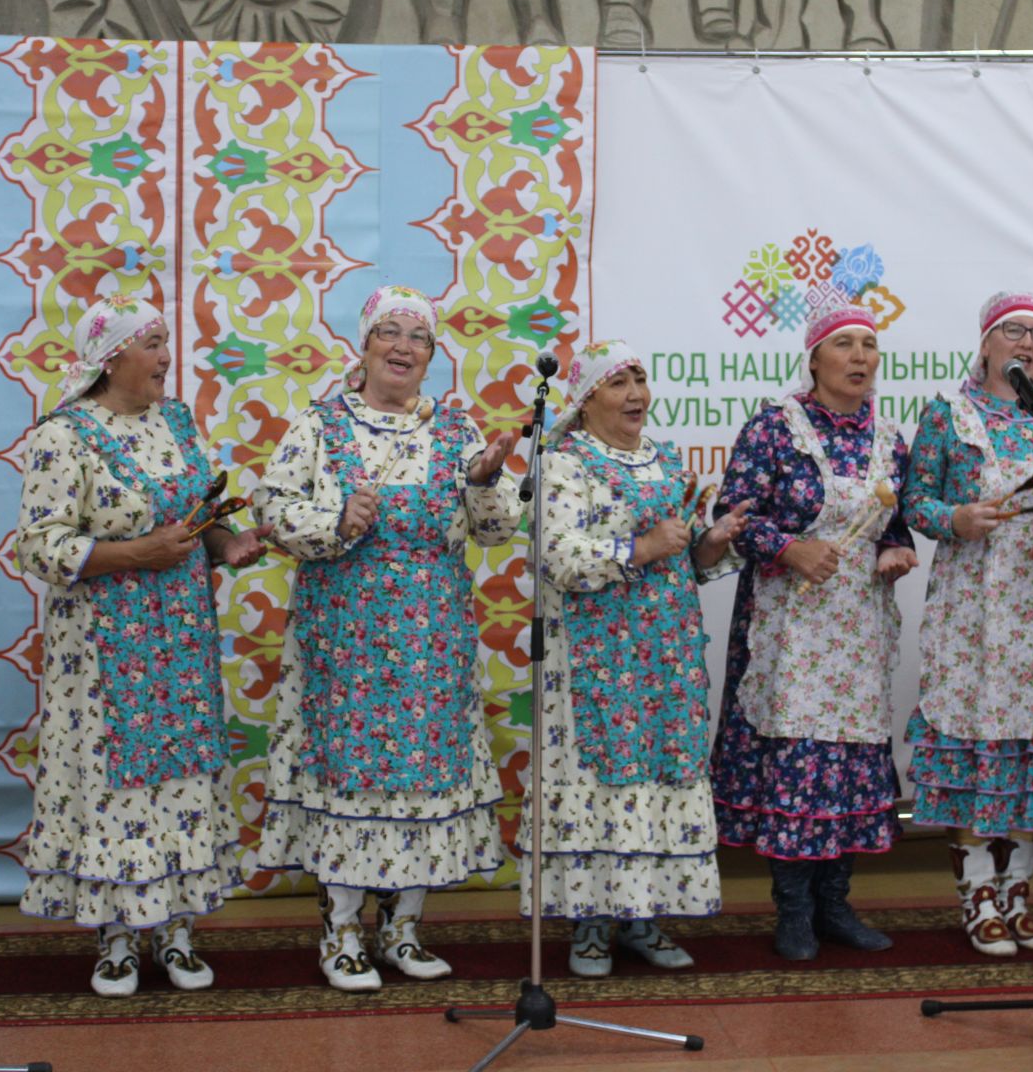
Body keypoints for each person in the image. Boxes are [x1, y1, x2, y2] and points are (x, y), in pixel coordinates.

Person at [252, 286, 519, 992]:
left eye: (419, 337)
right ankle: (340, 934)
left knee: (423, 784)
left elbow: (496, 533)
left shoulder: (457, 432)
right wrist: (338, 519)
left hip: (434, 643)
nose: (403, 347)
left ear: (433, 355)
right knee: (355, 784)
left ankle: (403, 931)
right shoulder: (318, 426)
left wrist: (489, 482)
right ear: (363, 345)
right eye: (388, 333)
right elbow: (271, 510)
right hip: (347, 647)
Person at [16, 294, 268, 997]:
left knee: (179, 780)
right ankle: (117, 938)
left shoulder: (176, 420)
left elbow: (194, 518)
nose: (166, 356)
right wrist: (135, 554)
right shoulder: (62, 436)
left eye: (165, 341)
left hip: (180, 640)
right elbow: (39, 546)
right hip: (102, 651)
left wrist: (226, 543)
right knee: (115, 785)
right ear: (110, 357)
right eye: (153, 343)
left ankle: (178, 930)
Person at [526, 340, 749, 976]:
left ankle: (643, 917)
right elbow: (559, 558)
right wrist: (644, 547)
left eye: (641, 380)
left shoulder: (667, 461)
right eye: (619, 382)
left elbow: (690, 563)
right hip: (597, 664)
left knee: (657, 781)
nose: (636, 395)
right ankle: (590, 925)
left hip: (666, 662)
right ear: (587, 395)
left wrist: (709, 543)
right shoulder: (564, 463)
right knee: (598, 784)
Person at [711, 297, 918, 961]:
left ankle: (837, 905)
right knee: (797, 766)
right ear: (815, 356)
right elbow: (731, 516)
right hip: (790, 627)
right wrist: (790, 548)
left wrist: (895, 549)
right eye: (845, 345)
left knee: (847, 766)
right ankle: (793, 912)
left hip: (856, 628)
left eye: (869, 345)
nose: (860, 357)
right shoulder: (775, 428)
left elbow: (894, 521)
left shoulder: (888, 437)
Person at [903, 292, 1033, 956]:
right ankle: (977, 895)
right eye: (1013, 332)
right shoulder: (947, 414)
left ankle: (1019, 894)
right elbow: (915, 499)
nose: (1027, 344)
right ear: (986, 343)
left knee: (1029, 757)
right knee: (973, 753)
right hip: (969, 615)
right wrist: (953, 520)